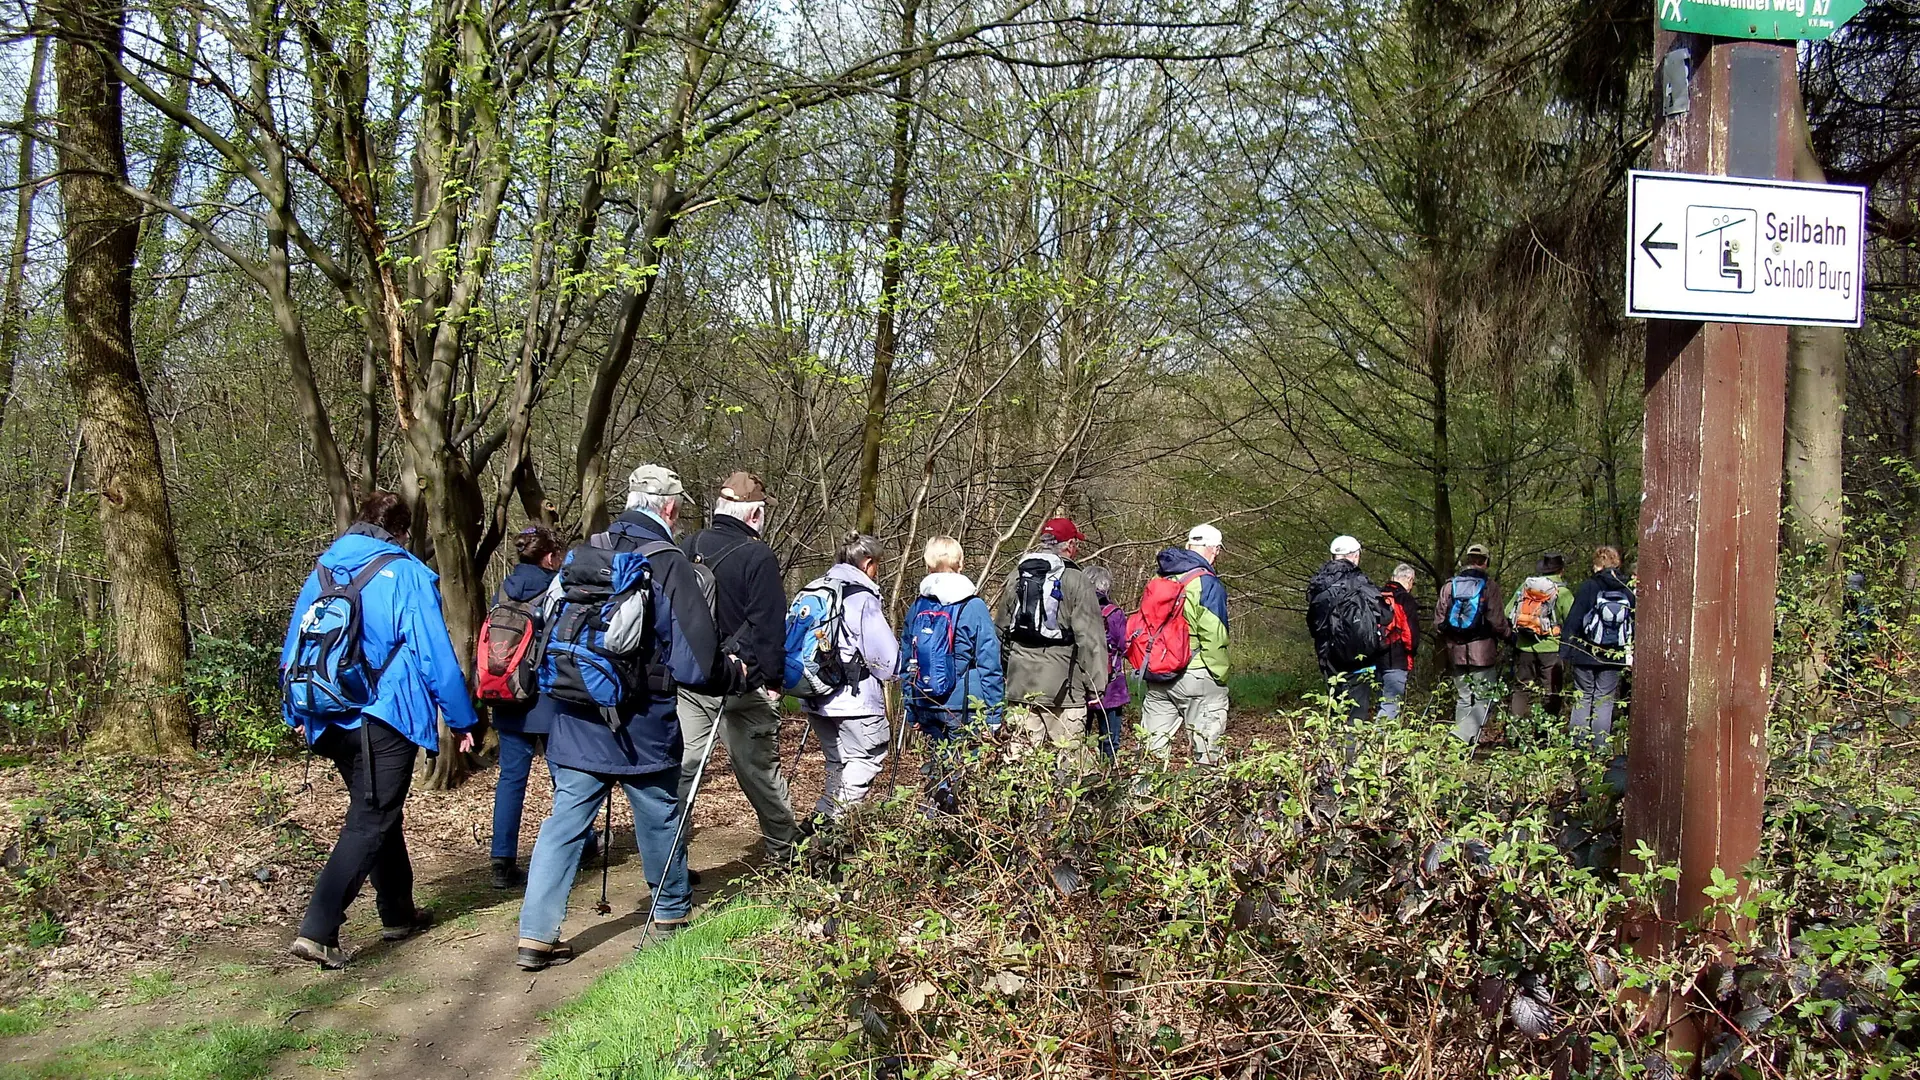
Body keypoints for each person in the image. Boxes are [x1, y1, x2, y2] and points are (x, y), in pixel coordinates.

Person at [515, 464, 718, 971]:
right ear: (668, 508)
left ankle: (536, 934)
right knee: (658, 812)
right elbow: (697, 662)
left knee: (564, 821)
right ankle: (670, 913)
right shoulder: (668, 562)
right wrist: (731, 674)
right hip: (641, 724)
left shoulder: (585, 554)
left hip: (574, 715)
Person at [282, 491, 480, 969]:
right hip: (383, 715)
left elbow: (294, 646)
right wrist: (462, 719)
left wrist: (297, 713)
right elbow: (434, 654)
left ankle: (397, 912)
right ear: (403, 532)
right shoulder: (406, 573)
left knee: (377, 811)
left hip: (327, 716)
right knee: (372, 817)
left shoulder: (324, 571)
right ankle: (318, 929)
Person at [676, 472, 799, 866]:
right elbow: (768, 624)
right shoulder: (756, 555)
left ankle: (669, 864)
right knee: (760, 774)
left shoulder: (686, 547)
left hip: (692, 681)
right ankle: (785, 855)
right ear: (756, 514)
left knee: (682, 773)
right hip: (743, 684)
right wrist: (774, 680)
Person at [487, 524, 595, 890]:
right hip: (548, 697)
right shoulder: (557, 589)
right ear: (550, 557)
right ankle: (583, 843)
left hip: (506, 695)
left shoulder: (503, 589)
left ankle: (502, 860)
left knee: (510, 779)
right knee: (565, 777)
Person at [801, 532, 899, 820]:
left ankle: (819, 823)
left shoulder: (815, 588)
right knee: (864, 759)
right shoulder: (860, 597)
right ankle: (832, 827)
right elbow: (885, 657)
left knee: (838, 762)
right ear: (867, 563)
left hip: (816, 693)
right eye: (877, 564)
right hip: (855, 700)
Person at [900, 536, 1003, 801]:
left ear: (928, 563)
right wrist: (993, 715)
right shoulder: (973, 605)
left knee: (938, 766)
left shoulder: (918, 605)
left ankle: (935, 823)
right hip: (962, 706)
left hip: (925, 702)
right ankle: (957, 825)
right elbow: (989, 661)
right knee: (965, 771)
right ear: (960, 562)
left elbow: (908, 660)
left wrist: (911, 708)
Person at [997, 517, 1109, 764]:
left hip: (1020, 685)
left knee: (1020, 765)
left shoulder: (1017, 576)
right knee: (1068, 763)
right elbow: (1090, 639)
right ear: (1069, 546)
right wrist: (1096, 686)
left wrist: (1009, 670)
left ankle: (1020, 803)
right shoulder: (1077, 580)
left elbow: (1002, 630)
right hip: (1064, 690)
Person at [1138, 524, 1231, 765]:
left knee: (1152, 752)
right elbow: (1215, 635)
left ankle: (1141, 799)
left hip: (1158, 672)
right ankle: (1205, 800)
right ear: (1214, 549)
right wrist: (1219, 675)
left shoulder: (1160, 576)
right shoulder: (1206, 583)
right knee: (1207, 752)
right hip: (1196, 674)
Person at [1432, 543, 1510, 745]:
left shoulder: (1449, 586)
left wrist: (1451, 639)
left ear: (1467, 560)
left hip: (1456, 651)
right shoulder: (1489, 586)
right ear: (1485, 561)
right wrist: (1510, 637)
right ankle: (1462, 736)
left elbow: (1439, 622)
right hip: (1483, 651)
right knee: (1485, 697)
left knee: (1464, 697)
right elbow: (1497, 621)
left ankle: (1462, 744)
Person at [1560, 545, 1635, 750]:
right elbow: (1635, 622)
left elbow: (1574, 620)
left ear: (1597, 565)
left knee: (1583, 697)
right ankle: (1601, 747)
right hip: (1614, 654)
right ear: (1616, 563)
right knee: (1605, 699)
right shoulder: (1627, 587)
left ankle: (1579, 747)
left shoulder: (1589, 587)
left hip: (1585, 653)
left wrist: (1565, 650)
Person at [1306, 535, 1385, 723]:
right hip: (1359, 660)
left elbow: (1313, 624)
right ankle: (1350, 751)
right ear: (1355, 555)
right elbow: (1384, 613)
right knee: (1356, 714)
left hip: (1329, 660)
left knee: (1335, 711)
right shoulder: (1359, 581)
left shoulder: (1317, 585)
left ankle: (1333, 748)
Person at [1506, 552, 1574, 722]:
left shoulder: (1526, 587)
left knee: (1522, 688)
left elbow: (1508, 612)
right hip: (1551, 647)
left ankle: (1516, 730)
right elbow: (1573, 619)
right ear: (1561, 571)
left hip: (1524, 646)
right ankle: (1546, 733)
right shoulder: (1563, 592)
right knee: (1551, 689)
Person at [1085, 566, 1130, 757]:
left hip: (1081, 684)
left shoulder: (1076, 610)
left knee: (1077, 740)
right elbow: (1124, 644)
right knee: (1111, 741)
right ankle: (1110, 777)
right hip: (1111, 687)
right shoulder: (1114, 613)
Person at [1378, 564, 1419, 720]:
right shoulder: (1404, 599)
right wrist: (1411, 652)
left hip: (1373, 656)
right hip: (1396, 658)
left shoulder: (1376, 594)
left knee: (1378, 702)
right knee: (1390, 705)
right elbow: (1410, 635)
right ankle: (1380, 741)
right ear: (1409, 579)